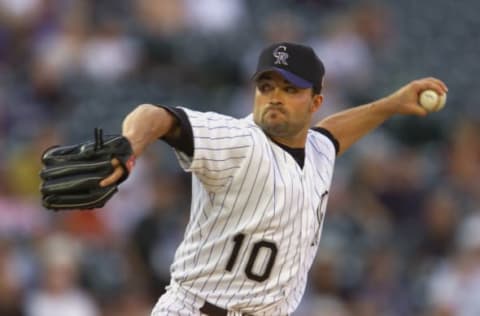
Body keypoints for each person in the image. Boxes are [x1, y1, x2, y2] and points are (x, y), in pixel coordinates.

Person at [100, 42, 448, 315]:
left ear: (316, 102)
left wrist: (389, 105)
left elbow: (332, 134)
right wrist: (131, 145)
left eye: (290, 89)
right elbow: (157, 116)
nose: (275, 97)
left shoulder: (317, 148)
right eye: (266, 87)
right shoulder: (239, 140)